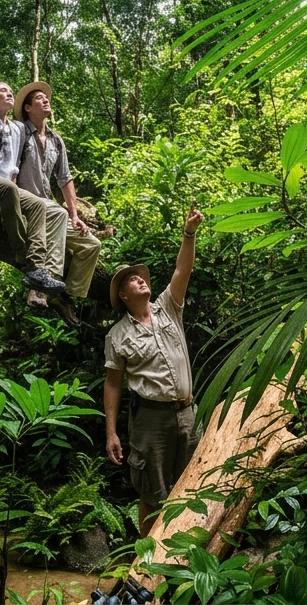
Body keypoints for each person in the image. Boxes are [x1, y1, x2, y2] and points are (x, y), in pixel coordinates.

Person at [103, 202, 204, 537]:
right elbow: (113, 384)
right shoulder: (117, 335)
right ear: (123, 295)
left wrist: (188, 233)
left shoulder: (168, 309)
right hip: (150, 421)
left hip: (186, 413)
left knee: (193, 484)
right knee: (151, 493)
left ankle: (189, 551)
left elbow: (182, 271)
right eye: (132, 280)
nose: (140, 280)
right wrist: (112, 432)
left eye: (141, 277)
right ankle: (147, 562)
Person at [0, 81, 66, 296]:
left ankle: (36, 268)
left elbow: (13, 166)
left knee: (37, 204)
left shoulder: (16, 129)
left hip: (5, 182)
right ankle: (21, 252)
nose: (9, 94)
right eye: (3, 91)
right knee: (9, 189)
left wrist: (16, 187)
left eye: (10, 92)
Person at [13, 81, 101, 326]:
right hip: (26, 204)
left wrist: (75, 214)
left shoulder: (56, 140)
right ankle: (42, 287)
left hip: (51, 208)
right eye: (39, 98)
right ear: (28, 108)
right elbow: (9, 166)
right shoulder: (19, 132)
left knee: (91, 245)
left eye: (46, 97)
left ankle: (63, 295)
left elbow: (65, 179)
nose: (46, 100)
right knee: (56, 213)